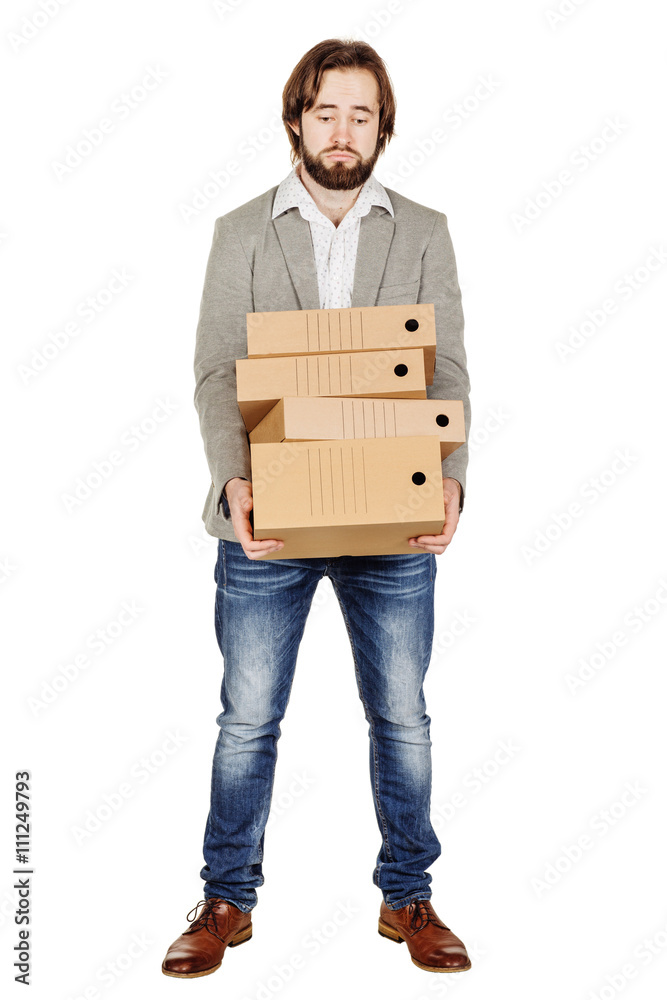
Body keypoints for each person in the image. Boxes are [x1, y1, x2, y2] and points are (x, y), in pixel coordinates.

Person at [162, 37, 472, 979]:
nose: (343, 132)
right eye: (326, 111)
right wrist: (233, 479)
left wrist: (451, 470)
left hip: (391, 516)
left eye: (362, 114)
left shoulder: (421, 228)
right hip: (270, 520)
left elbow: (445, 365)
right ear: (296, 118)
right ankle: (225, 900)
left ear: (383, 127)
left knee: (403, 716)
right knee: (247, 718)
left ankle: (407, 897)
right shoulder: (240, 230)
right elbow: (219, 369)